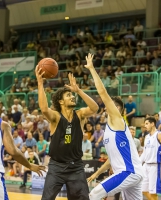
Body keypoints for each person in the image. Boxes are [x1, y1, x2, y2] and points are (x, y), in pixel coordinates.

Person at [85, 53, 143, 200]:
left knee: (93, 195)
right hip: (133, 173)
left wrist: (91, 68)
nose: (112, 107)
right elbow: (111, 160)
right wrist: (96, 174)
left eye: (116, 106)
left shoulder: (118, 120)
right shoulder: (108, 131)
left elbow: (103, 93)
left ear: (121, 111)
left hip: (128, 172)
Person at [36, 65, 99, 200]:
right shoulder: (56, 117)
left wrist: (79, 90)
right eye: (68, 95)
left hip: (76, 166)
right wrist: (40, 83)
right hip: (56, 166)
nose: (72, 97)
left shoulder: (80, 114)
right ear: (60, 101)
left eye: (72, 95)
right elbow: (44, 109)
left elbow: (95, 108)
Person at [141, 117, 161, 200]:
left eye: (147, 123)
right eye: (145, 124)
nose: (145, 126)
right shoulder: (147, 136)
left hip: (156, 166)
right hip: (146, 165)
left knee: (153, 193)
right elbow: (144, 153)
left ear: (152, 124)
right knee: (143, 190)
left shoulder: (159, 135)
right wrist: (138, 164)